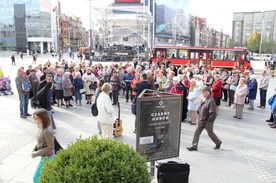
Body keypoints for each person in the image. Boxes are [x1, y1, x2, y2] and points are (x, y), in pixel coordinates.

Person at [186, 86, 222, 151]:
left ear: (207, 92)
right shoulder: (204, 99)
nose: (202, 93)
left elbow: (213, 112)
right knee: (197, 132)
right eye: (202, 91)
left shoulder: (210, 100)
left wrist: (209, 121)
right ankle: (194, 146)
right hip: (201, 119)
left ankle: (218, 142)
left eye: (203, 91)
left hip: (207, 120)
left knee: (210, 133)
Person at [32, 109, 54, 183]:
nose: (34, 119)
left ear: (42, 119)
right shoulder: (41, 127)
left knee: (36, 178)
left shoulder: (47, 131)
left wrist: (36, 153)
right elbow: (40, 141)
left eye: (35, 118)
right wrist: (34, 149)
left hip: (48, 157)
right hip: (44, 156)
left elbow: (50, 147)